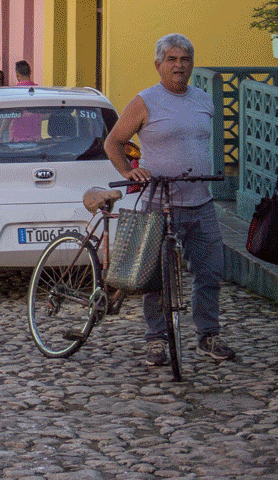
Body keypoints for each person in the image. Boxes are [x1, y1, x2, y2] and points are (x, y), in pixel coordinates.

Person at [104, 32, 238, 367]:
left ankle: (208, 335)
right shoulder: (145, 101)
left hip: (201, 202)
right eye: (172, 59)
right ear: (158, 64)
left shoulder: (203, 99)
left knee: (210, 272)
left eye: (185, 59)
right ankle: (156, 339)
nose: (179, 66)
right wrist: (130, 171)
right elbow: (113, 142)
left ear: (192, 64)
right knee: (157, 277)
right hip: (160, 203)